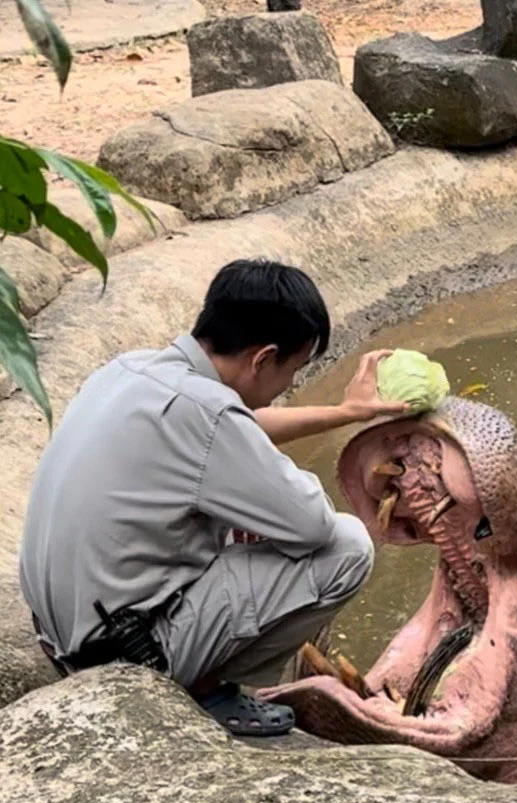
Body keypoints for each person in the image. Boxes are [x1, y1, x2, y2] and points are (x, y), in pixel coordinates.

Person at [19, 259, 409, 737]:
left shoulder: (130, 369)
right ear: (263, 358)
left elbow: (228, 427)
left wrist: (346, 413)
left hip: (64, 635)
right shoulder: (209, 416)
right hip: (127, 660)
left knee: (242, 515)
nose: (290, 385)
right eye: (294, 369)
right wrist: (266, 506)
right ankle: (207, 691)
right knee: (347, 547)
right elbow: (312, 524)